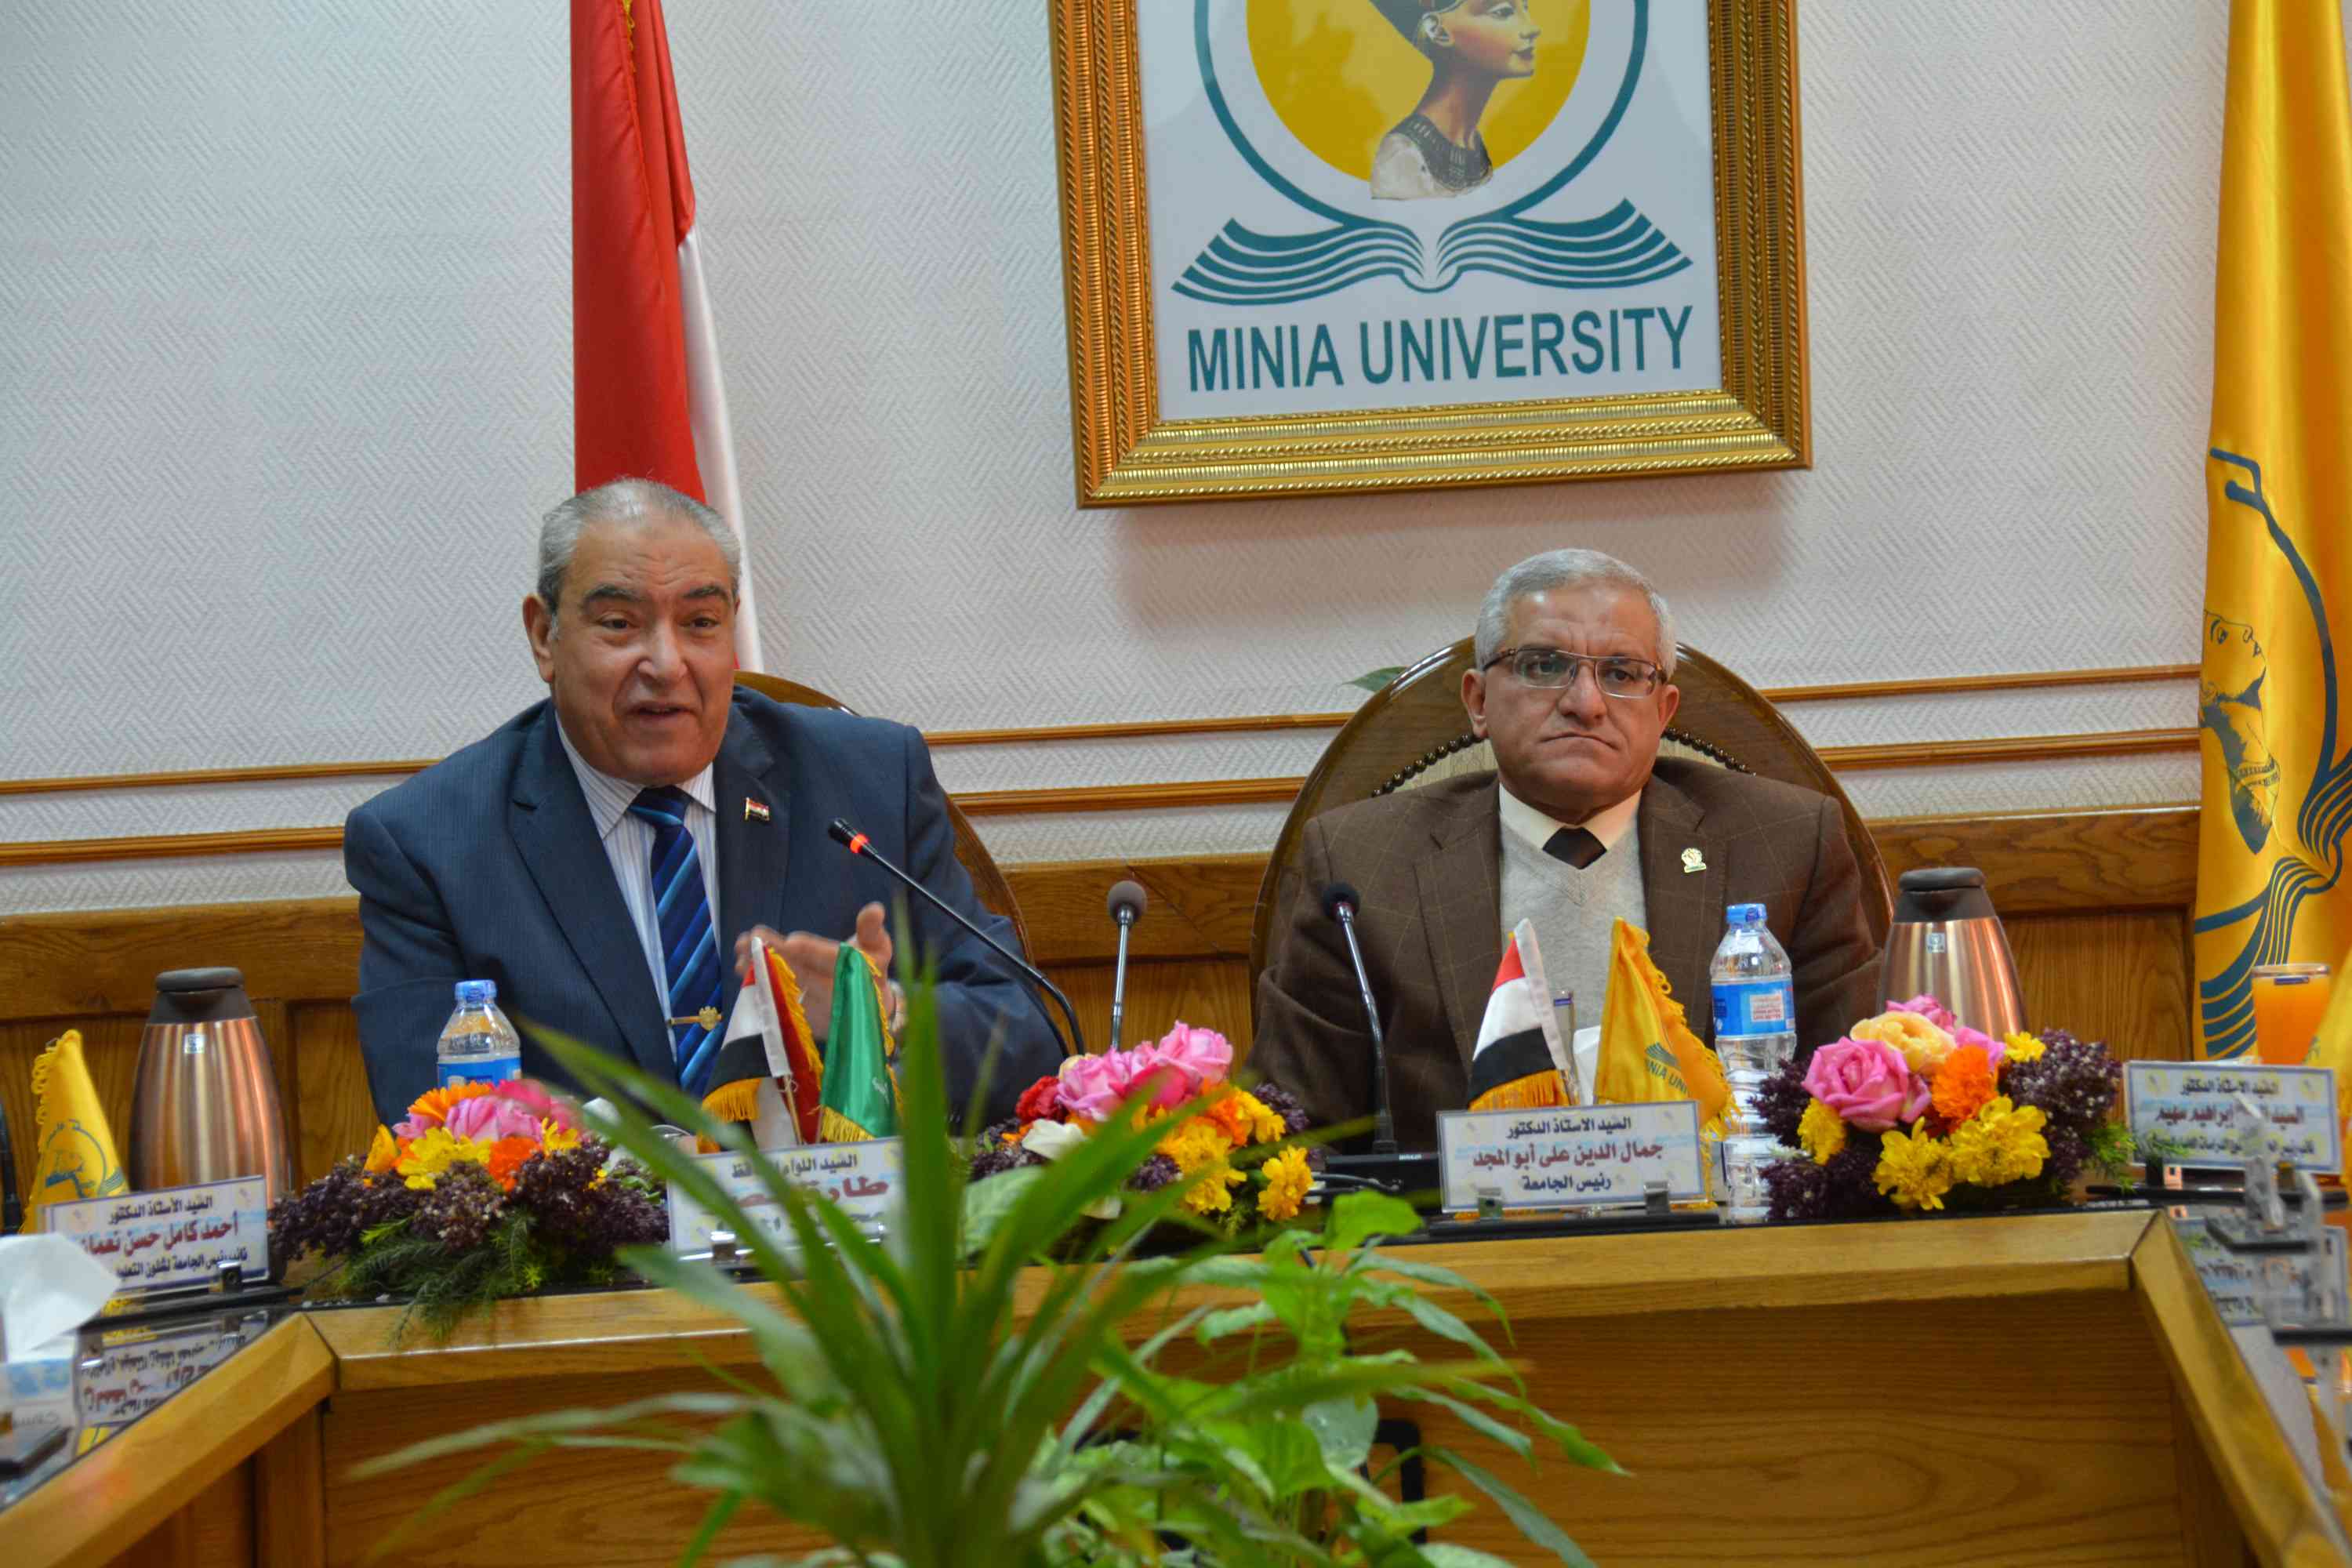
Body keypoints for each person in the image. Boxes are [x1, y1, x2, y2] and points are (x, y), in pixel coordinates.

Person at [344, 478, 1063, 1127]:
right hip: (598, 1232)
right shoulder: (430, 841)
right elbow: (428, 1119)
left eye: (700, 623)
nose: (667, 664)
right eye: (619, 624)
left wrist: (885, 1016)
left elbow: (1029, 1036)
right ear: (544, 636)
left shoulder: (868, 780)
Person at [1252, 549, 1883, 1149]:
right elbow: (1293, 1129)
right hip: (1453, 1226)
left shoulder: (1782, 845)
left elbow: (1858, 1107)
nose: (1585, 704)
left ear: (1663, 712)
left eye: (1622, 674)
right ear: (1478, 701)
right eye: (1544, 666)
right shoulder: (1363, 862)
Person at [1367, 0, 1541, 201]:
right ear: (1438, 31)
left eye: (1525, 8)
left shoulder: (1473, 144)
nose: (1533, 29)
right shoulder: (1403, 158)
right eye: (1503, 12)